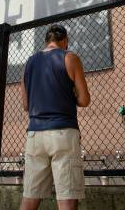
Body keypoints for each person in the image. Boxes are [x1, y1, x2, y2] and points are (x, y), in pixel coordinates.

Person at [20, 24, 91, 210]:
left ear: (47, 41)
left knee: (30, 197)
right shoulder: (70, 57)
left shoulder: (29, 62)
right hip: (63, 134)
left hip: (35, 135)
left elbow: (26, 105)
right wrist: (69, 94)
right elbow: (84, 100)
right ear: (65, 41)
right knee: (67, 198)